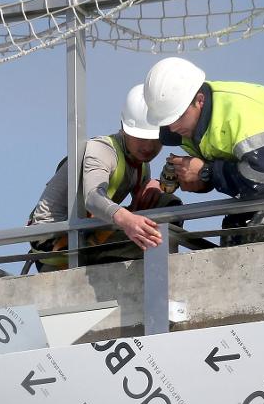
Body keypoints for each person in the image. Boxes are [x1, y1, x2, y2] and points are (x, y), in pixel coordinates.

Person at [143, 57, 264, 245]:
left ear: (200, 100)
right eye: (166, 120)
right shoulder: (183, 126)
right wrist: (195, 177)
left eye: (177, 116)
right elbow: (226, 170)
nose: (172, 127)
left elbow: (262, 178)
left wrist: (206, 172)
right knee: (234, 234)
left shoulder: (239, 112)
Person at [28, 84, 179, 271]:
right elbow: (93, 197)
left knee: (165, 205)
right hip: (53, 242)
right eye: (141, 137)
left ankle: (162, 267)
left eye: (155, 139)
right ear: (124, 128)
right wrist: (128, 221)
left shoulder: (141, 164)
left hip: (89, 231)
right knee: (149, 238)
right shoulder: (102, 150)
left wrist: (155, 186)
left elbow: (143, 204)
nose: (148, 147)